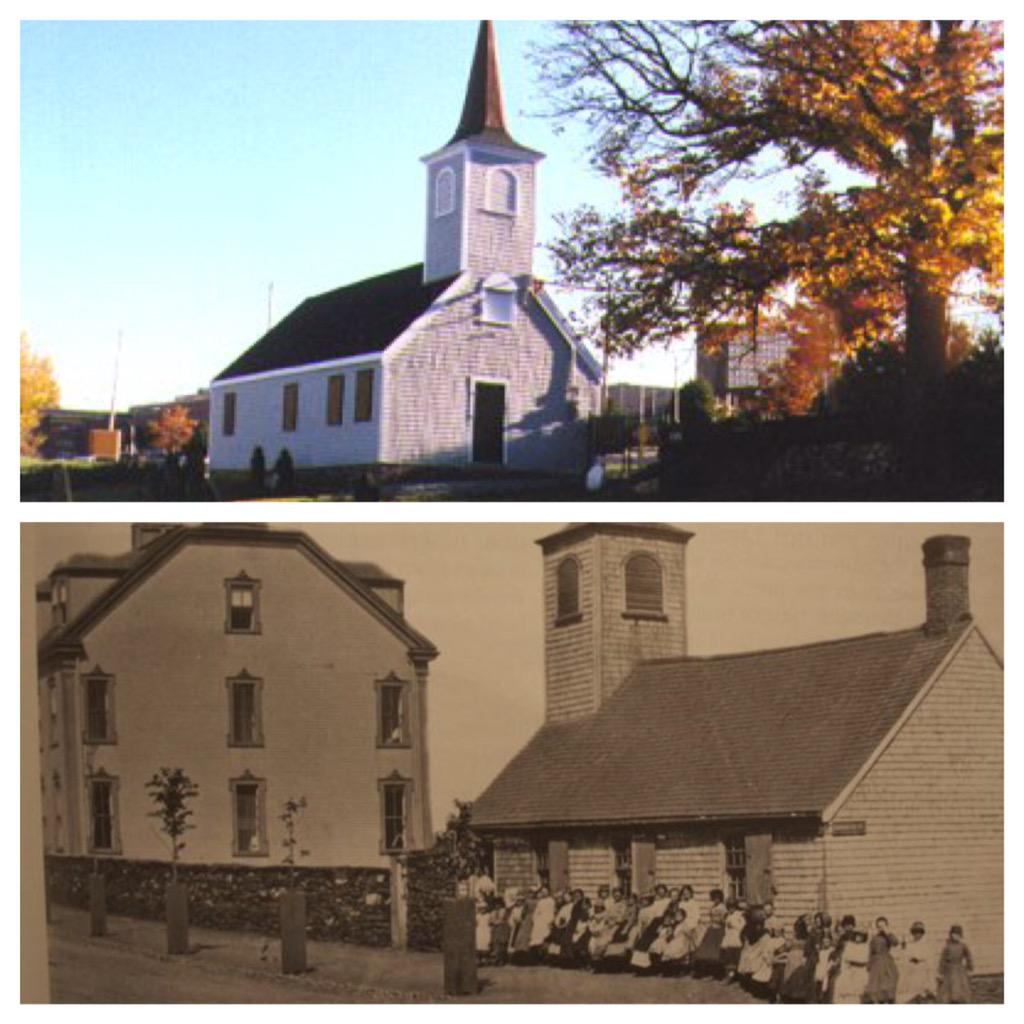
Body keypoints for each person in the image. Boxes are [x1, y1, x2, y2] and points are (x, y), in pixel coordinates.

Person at [830, 916, 870, 1004]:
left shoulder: (865, 947)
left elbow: (864, 959)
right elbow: (845, 957)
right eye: (856, 936)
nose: (858, 938)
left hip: (860, 971)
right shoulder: (849, 944)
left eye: (860, 936)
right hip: (848, 970)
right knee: (844, 988)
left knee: (858, 992)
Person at [863, 916, 900, 1003]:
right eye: (879, 926)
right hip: (876, 965)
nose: (881, 928)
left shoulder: (889, 936)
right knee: (877, 992)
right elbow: (871, 951)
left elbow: (895, 942)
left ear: (886, 926)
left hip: (887, 964)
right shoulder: (874, 937)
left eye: (883, 926)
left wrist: (887, 932)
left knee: (888, 990)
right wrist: (869, 964)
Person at [896, 921, 934, 1003]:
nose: (917, 935)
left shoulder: (926, 945)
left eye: (919, 932)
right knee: (911, 997)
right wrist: (903, 949)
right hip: (912, 973)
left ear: (922, 933)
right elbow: (904, 958)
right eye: (915, 932)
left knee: (922, 996)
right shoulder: (910, 945)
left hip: (922, 972)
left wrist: (929, 980)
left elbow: (929, 961)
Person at [693, 888, 728, 976]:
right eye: (714, 898)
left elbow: (724, 919)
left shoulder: (723, 907)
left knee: (717, 951)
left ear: (720, 898)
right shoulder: (713, 907)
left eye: (717, 898)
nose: (715, 899)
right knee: (706, 950)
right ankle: (705, 971)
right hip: (712, 928)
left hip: (719, 929)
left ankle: (718, 972)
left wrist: (721, 923)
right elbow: (711, 917)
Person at [937, 924, 974, 1004]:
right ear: (951, 935)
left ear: (960, 936)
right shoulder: (947, 947)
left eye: (957, 935)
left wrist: (969, 968)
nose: (955, 936)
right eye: (954, 934)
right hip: (949, 969)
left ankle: (959, 999)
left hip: (960, 969)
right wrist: (941, 971)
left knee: (960, 985)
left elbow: (968, 957)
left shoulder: (963, 946)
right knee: (949, 986)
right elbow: (942, 959)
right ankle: (951, 999)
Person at [721, 898, 746, 981]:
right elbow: (726, 928)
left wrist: (734, 925)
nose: (731, 909)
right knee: (729, 959)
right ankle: (730, 976)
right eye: (729, 907)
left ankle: (739, 977)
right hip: (729, 938)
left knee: (737, 958)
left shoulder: (739, 915)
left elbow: (743, 926)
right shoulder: (728, 915)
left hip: (737, 938)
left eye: (733, 907)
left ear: (735, 907)